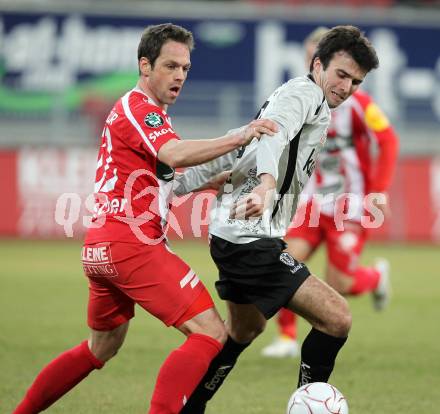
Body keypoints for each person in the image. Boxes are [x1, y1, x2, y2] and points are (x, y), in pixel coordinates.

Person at [13, 23, 278, 414]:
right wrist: (241, 136)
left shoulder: (147, 116)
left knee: (102, 345)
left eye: (185, 68)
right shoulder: (141, 109)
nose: (179, 76)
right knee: (210, 332)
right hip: (130, 245)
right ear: (145, 65)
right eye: (170, 66)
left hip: (100, 247)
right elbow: (174, 154)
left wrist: (207, 184)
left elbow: (159, 177)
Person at [173, 25, 380, 413]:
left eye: (356, 81)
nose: (347, 87)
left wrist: (175, 189)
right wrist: (267, 183)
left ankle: (188, 407)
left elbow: (243, 138)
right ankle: (307, 404)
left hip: (235, 235)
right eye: (341, 74)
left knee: (244, 330)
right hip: (249, 240)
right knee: (336, 318)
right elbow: (271, 136)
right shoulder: (303, 94)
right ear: (318, 64)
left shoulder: (304, 98)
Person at [261, 27, 399, 359]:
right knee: (285, 263)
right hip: (310, 201)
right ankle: (287, 338)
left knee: (340, 284)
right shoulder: (299, 99)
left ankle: (375, 277)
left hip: (349, 205)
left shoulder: (359, 104)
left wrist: (378, 191)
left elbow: (389, 140)